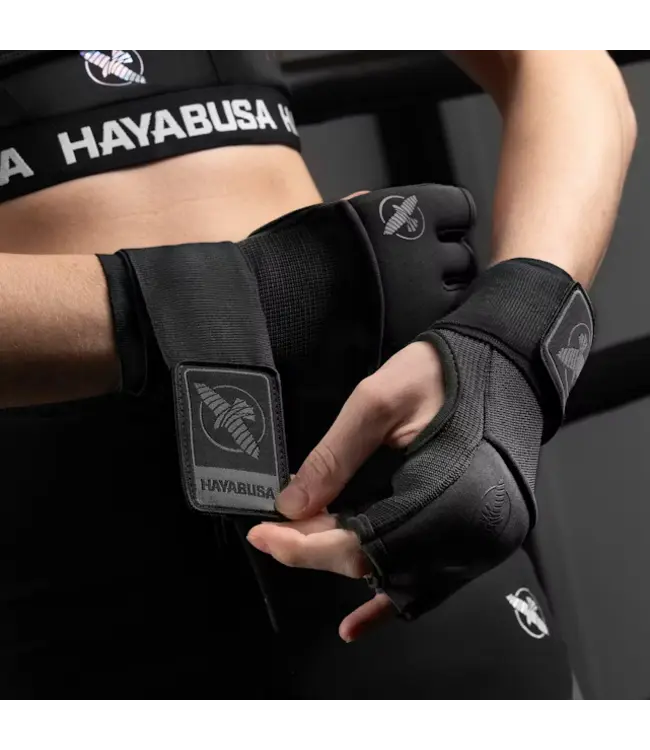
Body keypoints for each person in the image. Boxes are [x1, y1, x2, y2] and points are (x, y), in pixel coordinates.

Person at [0, 47, 636, 703]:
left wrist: (513, 334)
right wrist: (246, 296)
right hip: (66, 516)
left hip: (354, 450)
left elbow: (565, 66)